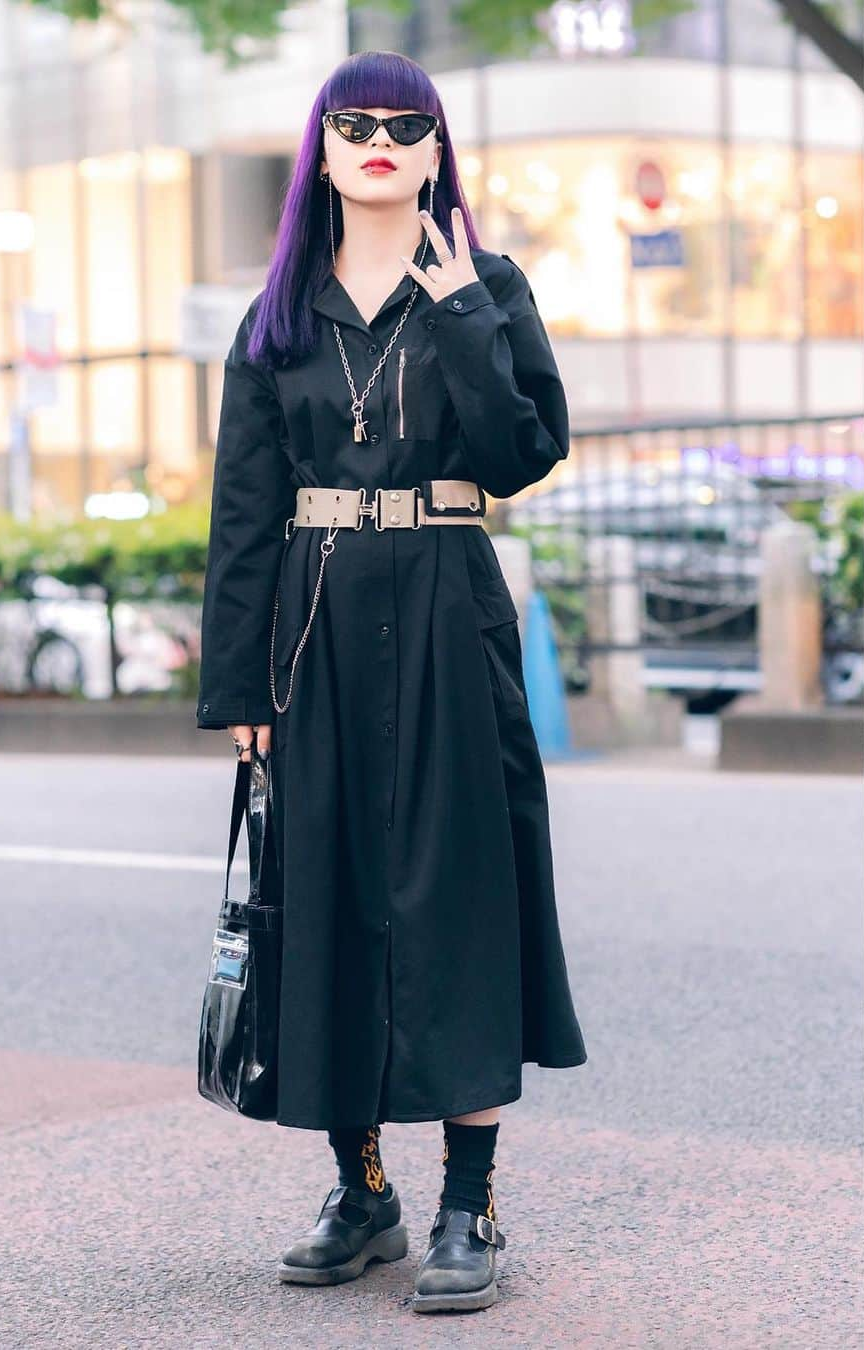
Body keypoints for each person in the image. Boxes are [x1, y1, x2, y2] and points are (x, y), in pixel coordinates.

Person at [196, 50, 587, 1314]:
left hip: (445, 607)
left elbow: (524, 452)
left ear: (434, 151)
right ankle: (360, 1189)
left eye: (403, 124)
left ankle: (466, 1203)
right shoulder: (277, 318)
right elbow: (244, 515)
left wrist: (469, 311)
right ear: (320, 149)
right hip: (311, 626)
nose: (377, 140)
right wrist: (238, 683)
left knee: (458, 899)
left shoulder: (486, 286)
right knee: (331, 899)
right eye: (352, 123)